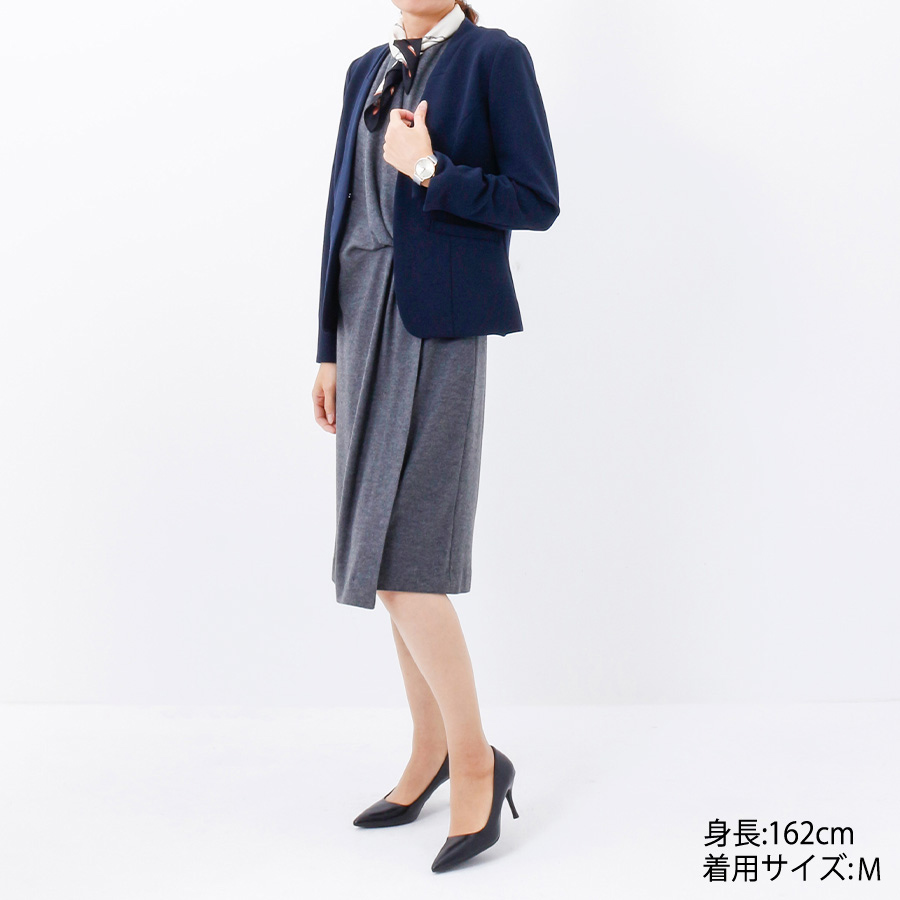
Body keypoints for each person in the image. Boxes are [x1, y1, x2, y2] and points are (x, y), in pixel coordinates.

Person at [310, 0, 559, 872]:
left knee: (407, 554)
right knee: (379, 554)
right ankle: (430, 751)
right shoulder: (366, 70)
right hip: (360, 318)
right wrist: (326, 347)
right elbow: (338, 212)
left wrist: (429, 171)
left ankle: (477, 760)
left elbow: (536, 200)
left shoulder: (495, 57)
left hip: (438, 318)